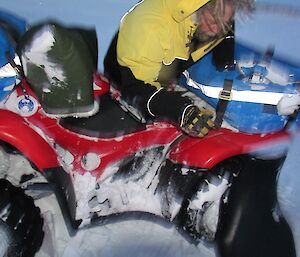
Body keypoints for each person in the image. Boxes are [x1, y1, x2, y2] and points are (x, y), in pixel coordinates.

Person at [104, 0, 255, 137]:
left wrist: (226, 43)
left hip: (169, 72)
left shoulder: (212, 16)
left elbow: (224, 22)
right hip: (130, 88)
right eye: (213, 22)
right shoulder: (150, 27)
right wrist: (180, 110)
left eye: (225, 23)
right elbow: (135, 87)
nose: (217, 31)